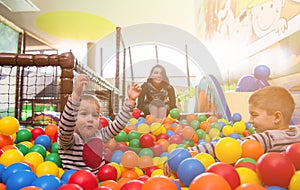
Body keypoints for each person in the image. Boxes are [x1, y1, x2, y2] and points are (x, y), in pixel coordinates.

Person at [165, 86, 299, 175]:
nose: (250, 121)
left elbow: (227, 147)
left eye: (255, 115)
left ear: (276, 117)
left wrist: (185, 154)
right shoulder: (296, 132)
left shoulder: (267, 138)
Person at [58, 74, 141, 174]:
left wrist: (130, 101)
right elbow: (66, 126)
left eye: (95, 115)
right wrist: (76, 94)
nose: (90, 119)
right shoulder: (68, 140)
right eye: (84, 114)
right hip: (74, 184)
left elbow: (118, 125)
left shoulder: (99, 135)